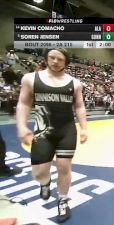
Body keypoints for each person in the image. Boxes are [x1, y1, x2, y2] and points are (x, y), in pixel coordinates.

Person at [16, 48, 88, 223]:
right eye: (52, 57)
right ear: (46, 58)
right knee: (39, 173)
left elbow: (79, 106)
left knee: (64, 168)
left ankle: (63, 200)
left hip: (66, 130)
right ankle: (45, 182)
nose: (55, 61)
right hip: (42, 131)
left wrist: (84, 127)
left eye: (60, 59)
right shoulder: (31, 79)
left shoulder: (75, 83)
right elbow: (24, 103)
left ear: (66, 62)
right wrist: (22, 126)